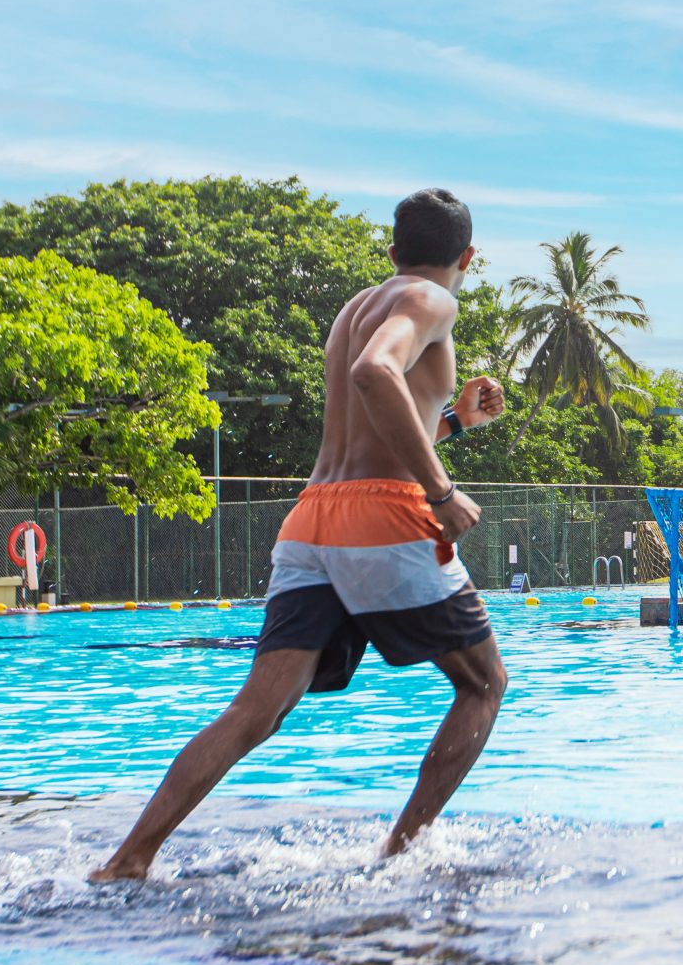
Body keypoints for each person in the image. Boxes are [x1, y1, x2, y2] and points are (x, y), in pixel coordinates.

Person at [90, 189, 510, 881]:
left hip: (313, 518)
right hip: (388, 520)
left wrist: (457, 422)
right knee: (484, 682)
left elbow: (374, 429)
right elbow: (375, 373)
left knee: (257, 708)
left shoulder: (355, 309)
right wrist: (441, 492)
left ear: (392, 250)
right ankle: (398, 854)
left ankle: (129, 857)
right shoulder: (432, 299)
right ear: (468, 257)